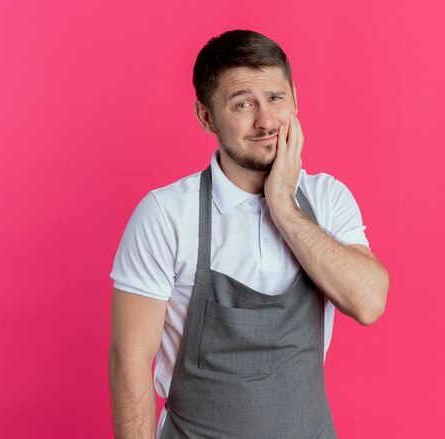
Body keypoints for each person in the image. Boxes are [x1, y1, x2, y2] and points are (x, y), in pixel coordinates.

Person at [108, 29, 389, 439]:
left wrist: (285, 208)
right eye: (243, 103)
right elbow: (129, 366)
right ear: (207, 117)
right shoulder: (166, 214)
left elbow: (369, 303)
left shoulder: (327, 199)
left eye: (276, 98)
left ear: (294, 97)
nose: (266, 120)